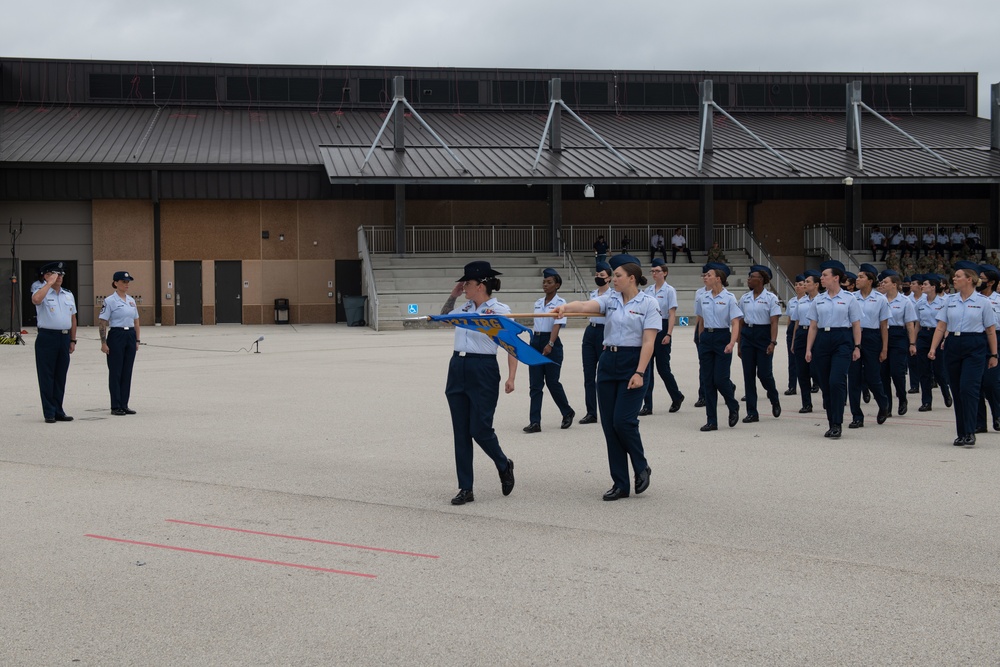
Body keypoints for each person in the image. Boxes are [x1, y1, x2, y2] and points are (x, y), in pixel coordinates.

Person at [552, 254, 657, 500]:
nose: (614, 279)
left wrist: (640, 372)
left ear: (632, 278)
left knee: (623, 421)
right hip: (609, 361)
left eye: (618, 275)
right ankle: (620, 483)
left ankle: (641, 465)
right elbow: (585, 306)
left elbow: (649, 341)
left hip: (634, 362)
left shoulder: (648, 304)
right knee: (609, 427)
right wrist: (565, 308)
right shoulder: (609, 299)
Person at [440, 261, 516, 505]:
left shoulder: (500, 310)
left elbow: (512, 345)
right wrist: (453, 296)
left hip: (483, 369)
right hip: (458, 367)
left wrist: (511, 376)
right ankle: (466, 488)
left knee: (480, 429)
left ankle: (503, 463)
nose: (463, 287)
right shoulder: (464, 307)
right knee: (460, 432)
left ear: (481, 285)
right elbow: (443, 318)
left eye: (467, 283)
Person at [928, 266, 999, 447]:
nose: (954, 278)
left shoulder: (983, 302)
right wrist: (933, 348)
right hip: (953, 344)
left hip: (974, 344)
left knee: (969, 389)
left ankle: (971, 431)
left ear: (970, 279)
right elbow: (941, 326)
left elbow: (990, 330)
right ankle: (962, 433)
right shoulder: (950, 301)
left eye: (958, 276)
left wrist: (993, 354)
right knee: (958, 391)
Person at [804, 260, 862, 438]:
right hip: (822, 339)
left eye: (825, 275)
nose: (821, 278)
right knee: (825, 384)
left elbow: (856, 324)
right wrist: (808, 349)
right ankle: (831, 422)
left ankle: (837, 423)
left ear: (836, 278)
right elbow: (813, 326)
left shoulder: (849, 299)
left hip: (842, 339)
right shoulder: (818, 300)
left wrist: (857, 346)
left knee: (836, 381)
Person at [523, 268, 574, 433]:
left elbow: (557, 324)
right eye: (544, 282)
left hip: (551, 341)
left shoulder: (561, 303)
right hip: (536, 341)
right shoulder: (538, 302)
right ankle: (535, 422)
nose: (545, 284)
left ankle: (567, 411)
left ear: (557, 285)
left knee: (552, 382)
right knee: (535, 385)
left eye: (549, 282)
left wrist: (550, 343)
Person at [696, 262, 741, 430]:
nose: (705, 278)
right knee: (707, 381)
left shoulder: (729, 298)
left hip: (723, 336)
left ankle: (733, 405)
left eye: (708, 275)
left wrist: (732, 342)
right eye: (705, 275)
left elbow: (735, 323)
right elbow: (700, 321)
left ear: (718, 278)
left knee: (720, 379)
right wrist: (701, 339)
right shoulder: (702, 297)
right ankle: (712, 421)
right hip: (707, 337)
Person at [31, 261, 77, 423]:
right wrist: (48, 284)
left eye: (61, 274)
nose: (60, 277)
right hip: (47, 337)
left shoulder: (68, 294)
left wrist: (72, 339)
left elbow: (73, 318)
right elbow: (36, 300)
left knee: (60, 376)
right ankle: (49, 412)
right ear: (46, 275)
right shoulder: (41, 291)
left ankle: (59, 410)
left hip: (64, 338)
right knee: (47, 376)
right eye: (56, 274)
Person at [847, 265, 891, 428]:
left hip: (872, 338)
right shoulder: (851, 297)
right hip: (854, 337)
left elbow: (884, 326)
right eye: (857, 277)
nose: (857, 279)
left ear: (870, 280)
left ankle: (883, 403)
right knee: (854, 379)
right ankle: (857, 416)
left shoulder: (880, 299)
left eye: (861, 277)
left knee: (873, 377)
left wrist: (884, 348)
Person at [737, 265, 782, 422]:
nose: (749, 279)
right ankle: (752, 412)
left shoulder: (771, 298)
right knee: (748, 375)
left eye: (752, 277)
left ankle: (774, 396)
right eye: (749, 277)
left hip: (764, 335)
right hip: (748, 335)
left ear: (761, 280)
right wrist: (739, 344)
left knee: (764, 373)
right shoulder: (745, 298)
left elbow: (774, 322)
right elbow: (740, 322)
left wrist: (773, 342)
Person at [640, 259, 684, 415]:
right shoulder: (648, 291)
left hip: (663, 326)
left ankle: (676, 396)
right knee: (646, 368)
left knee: (663, 368)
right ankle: (647, 405)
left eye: (657, 271)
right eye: (652, 271)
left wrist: (669, 333)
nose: (654, 274)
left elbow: (672, 314)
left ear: (664, 273)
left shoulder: (669, 290)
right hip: (650, 327)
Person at [99, 270, 141, 415]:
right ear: (116, 283)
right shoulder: (110, 301)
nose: (126, 284)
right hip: (116, 335)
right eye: (124, 282)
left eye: (128, 282)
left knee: (127, 371)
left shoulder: (131, 300)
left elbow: (136, 321)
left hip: (129, 334)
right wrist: (103, 343)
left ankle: (124, 404)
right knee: (116, 371)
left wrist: (137, 339)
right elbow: (103, 322)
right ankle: (115, 405)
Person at [880, 271, 918, 415]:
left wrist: (912, 343)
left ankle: (902, 398)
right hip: (882, 335)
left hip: (898, 335)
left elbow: (910, 325)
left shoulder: (905, 301)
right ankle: (887, 405)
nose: (883, 284)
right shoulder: (880, 299)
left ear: (894, 285)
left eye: (886, 282)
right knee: (883, 373)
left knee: (897, 372)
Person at [914, 274, 953, 412]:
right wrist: (913, 342)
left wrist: (944, 339)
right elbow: (917, 324)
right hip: (924, 334)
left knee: (938, 370)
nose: (922, 286)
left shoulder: (943, 302)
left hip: (938, 334)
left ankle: (946, 391)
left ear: (933, 287)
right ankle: (926, 401)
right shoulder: (920, 303)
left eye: (925, 284)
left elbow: (946, 323)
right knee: (923, 371)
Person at [579, 262, 612, 425]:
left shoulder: (613, 296)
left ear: (609, 278)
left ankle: (608, 410)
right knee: (588, 375)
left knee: (604, 376)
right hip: (590, 331)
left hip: (604, 332)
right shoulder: (593, 294)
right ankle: (591, 412)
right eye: (597, 275)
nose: (599, 278)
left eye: (602, 276)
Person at [791, 270, 821, 412]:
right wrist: (793, 341)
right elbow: (796, 321)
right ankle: (806, 403)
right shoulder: (801, 300)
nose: (805, 284)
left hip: (817, 333)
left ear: (816, 285)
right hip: (802, 333)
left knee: (817, 370)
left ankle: (827, 398)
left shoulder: (822, 300)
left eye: (808, 282)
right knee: (801, 371)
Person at [976, 263, 1000, 433]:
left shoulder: (998, 300)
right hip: (976, 339)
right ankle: (979, 422)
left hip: (996, 339)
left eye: (982, 279)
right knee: (975, 383)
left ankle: (997, 415)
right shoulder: (972, 299)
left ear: (991, 282)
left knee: (991, 382)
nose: (979, 282)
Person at [784, 275, 806, 396]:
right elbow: (789, 318)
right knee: (792, 360)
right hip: (793, 327)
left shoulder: (809, 300)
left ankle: (814, 383)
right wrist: (789, 333)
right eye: (796, 284)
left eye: (801, 284)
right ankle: (792, 385)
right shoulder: (792, 301)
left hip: (804, 326)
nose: (798, 287)